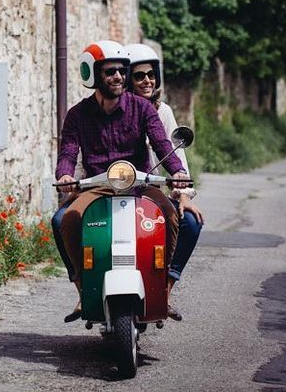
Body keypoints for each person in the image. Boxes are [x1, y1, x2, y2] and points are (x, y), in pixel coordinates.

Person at [52, 40, 190, 322]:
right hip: (98, 185)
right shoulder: (78, 114)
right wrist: (65, 174)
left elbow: (162, 143)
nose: (118, 77)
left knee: (170, 217)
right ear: (94, 75)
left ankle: (160, 288)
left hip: (140, 183)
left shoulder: (142, 108)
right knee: (68, 219)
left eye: (122, 71)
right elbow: (68, 150)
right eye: (110, 71)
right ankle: (83, 289)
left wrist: (177, 172)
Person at [124, 42, 204, 321]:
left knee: (191, 223)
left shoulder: (163, 112)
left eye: (151, 75)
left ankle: (164, 291)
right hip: (117, 191)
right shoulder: (116, 110)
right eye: (139, 75)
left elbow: (174, 155)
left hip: (152, 191)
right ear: (126, 77)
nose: (147, 81)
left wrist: (182, 192)